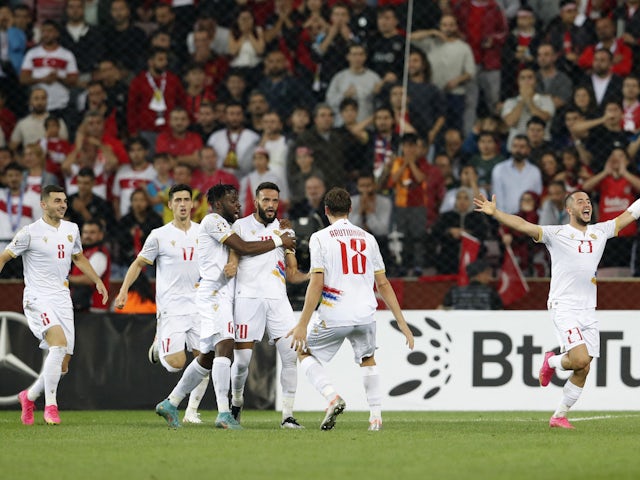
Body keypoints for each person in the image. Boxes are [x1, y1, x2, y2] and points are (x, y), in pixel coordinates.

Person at [473, 189, 640, 428]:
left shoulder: (600, 231)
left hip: (588, 309)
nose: (586, 204)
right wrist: (496, 213)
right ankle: (551, 363)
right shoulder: (557, 233)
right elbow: (523, 225)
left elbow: (630, 214)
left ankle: (559, 415)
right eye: (580, 201)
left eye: (588, 201)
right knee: (580, 358)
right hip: (564, 305)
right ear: (569, 210)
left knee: (584, 365)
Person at [154, 184, 295, 429]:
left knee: (207, 357)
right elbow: (245, 248)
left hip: (223, 295)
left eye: (238, 200)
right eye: (232, 201)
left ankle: (171, 402)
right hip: (214, 295)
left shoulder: (226, 224)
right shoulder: (212, 220)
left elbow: (238, 251)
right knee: (226, 347)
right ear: (219, 204)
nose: (238, 205)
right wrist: (278, 239)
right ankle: (223, 413)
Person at [286, 187, 414, 431]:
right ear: (350, 209)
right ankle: (375, 418)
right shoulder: (368, 238)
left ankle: (332, 397)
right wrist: (402, 323)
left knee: (302, 352)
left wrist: (302, 323)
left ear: (325, 211)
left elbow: (316, 282)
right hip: (365, 314)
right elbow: (383, 283)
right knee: (368, 358)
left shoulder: (320, 237)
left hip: (334, 313)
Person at [1, 185, 108, 425]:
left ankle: (28, 396)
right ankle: (51, 406)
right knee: (58, 345)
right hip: (38, 297)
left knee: (63, 363)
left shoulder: (72, 229)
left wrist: (97, 280)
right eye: (57, 201)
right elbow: (5, 257)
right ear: (43, 204)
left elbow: (78, 257)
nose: (62, 205)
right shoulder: (29, 232)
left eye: (64, 201)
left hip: (62, 297)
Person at [115, 184, 208, 424]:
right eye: (177, 200)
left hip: (198, 305)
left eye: (187, 199)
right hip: (171, 307)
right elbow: (138, 264)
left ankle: (191, 412)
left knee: (205, 358)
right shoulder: (159, 235)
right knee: (177, 364)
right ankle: (159, 347)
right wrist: (124, 291)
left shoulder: (203, 232)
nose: (183, 204)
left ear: (192, 204)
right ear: (170, 205)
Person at [228, 182, 309, 428]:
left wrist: (313, 276)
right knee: (241, 361)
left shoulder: (286, 231)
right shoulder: (240, 226)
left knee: (290, 356)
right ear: (256, 201)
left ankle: (287, 415)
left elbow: (292, 273)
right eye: (266, 200)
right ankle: (237, 402)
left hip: (277, 300)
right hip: (247, 298)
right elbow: (235, 257)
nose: (271, 205)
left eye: (275, 201)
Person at [68, 219, 110, 313]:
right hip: (81, 306)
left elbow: (89, 279)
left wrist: (65, 279)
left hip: (93, 308)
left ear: (100, 235)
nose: (87, 236)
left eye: (92, 232)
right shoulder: (82, 252)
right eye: (85, 232)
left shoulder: (99, 253)